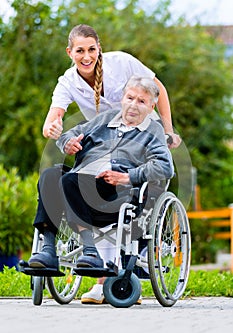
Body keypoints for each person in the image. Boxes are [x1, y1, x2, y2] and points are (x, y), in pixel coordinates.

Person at [40, 23, 180, 304]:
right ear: (70, 52)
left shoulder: (122, 64)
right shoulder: (71, 85)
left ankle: (129, 258)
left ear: (99, 48)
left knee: (135, 189)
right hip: (104, 138)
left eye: (91, 49)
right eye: (80, 50)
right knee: (60, 177)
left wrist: (167, 129)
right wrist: (59, 135)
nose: (86, 55)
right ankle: (55, 251)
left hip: (134, 147)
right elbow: (55, 123)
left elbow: (158, 88)